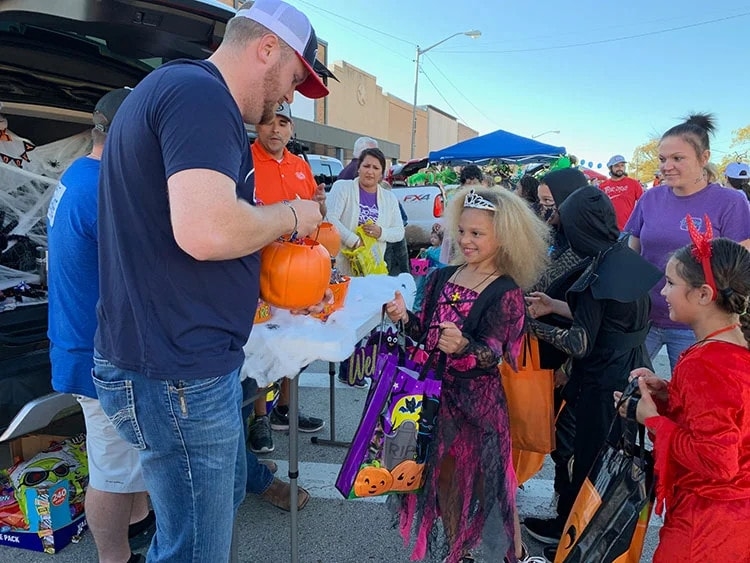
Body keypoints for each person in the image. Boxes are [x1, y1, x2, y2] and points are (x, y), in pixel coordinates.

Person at [92, 1, 330, 561]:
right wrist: (294, 215)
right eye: (293, 79)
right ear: (266, 49)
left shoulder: (179, 92)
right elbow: (206, 231)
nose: (288, 98)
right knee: (194, 551)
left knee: (190, 537)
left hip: (170, 364)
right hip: (177, 372)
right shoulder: (201, 96)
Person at [385, 187, 549, 563]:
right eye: (462, 231)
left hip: (480, 407)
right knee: (444, 480)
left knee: (490, 486)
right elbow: (424, 335)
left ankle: (512, 556)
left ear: (503, 238)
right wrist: (403, 317)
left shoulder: (506, 292)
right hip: (438, 402)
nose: (465, 240)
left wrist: (462, 346)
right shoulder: (442, 277)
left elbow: (494, 355)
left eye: (477, 234)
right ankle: (458, 551)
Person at [524, 186, 661, 557]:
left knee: (591, 461)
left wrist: (531, 325)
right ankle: (568, 522)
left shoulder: (599, 272)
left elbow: (581, 342)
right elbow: (606, 318)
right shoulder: (623, 260)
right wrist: (554, 304)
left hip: (603, 385)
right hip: (628, 370)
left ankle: (581, 538)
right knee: (600, 458)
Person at [47, 88, 154, 563]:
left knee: (127, 463)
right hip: (95, 353)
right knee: (111, 472)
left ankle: (136, 530)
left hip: (81, 340)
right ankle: (114, 558)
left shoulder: (79, 175)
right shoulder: (101, 190)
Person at [615, 227, 750, 562]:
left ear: (704, 294)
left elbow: (716, 462)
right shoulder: (730, 346)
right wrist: (667, 395)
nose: (662, 292)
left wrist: (654, 421)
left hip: (707, 525)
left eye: (672, 283)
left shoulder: (706, 363)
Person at [625, 113, 750, 372]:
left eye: (677, 158)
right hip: (644, 318)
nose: (666, 166)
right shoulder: (650, 199)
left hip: (696, 326)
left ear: (704, 158)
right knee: (628, 387)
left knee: (692, 399)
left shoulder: (730, 203)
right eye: (662, 159)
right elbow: (630, 252)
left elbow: (739, 268)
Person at [246, 101, 325, 455]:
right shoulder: (242, 159)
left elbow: (312, 216)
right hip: (254, 270)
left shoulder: (300, 167)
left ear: (291, 129)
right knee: (262, 344)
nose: (275, 129)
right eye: (268, 122)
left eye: (282, 123)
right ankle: (259, 416)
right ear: (257, 127)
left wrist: (319, 205)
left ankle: (285, 409)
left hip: (297, 270)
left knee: (296, 342)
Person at [525, 168, 591, 537]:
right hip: (547, 358)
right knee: (558, 445)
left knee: (570, 446)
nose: (546, 211)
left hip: (572, 363)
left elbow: (592, 322)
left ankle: (568, 526)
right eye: (542, 203)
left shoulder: (587, 248)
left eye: (552, 204)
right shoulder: (555, 238)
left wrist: (567, 364)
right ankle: (561, 514)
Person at [326, 147, 405, 277]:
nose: (370, 171)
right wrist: (354, 241)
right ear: (359, 168)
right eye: (366, 166)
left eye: (375, 168)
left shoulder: (389, 198)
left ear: (381, 174)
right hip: (342, 269)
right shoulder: (342, 188)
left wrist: (381, 232)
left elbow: (399, 232)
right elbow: (330, 219)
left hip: (372, 270)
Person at [598, 154, 643, 231]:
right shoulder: (602, 186)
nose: (620, 168)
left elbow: (643, 203)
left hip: (628, 228)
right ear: (610, 168)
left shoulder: (634, 183)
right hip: (608, 229)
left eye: (622, 165)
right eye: (616, 166)